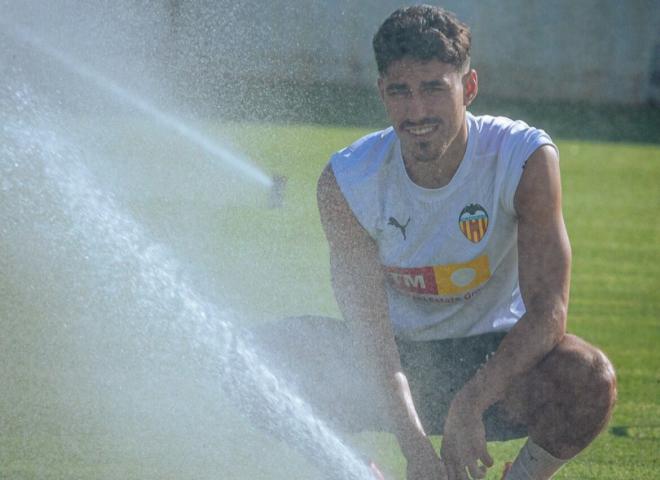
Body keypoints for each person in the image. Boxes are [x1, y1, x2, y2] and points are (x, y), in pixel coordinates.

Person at [252, 5, 616, 480]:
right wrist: (415, 447)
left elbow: (548, 312)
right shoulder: (348, 180)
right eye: (400, 91)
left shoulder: (523, 158)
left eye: (433, 89)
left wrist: (471, 403)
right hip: (396, 362)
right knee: (253, 362)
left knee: (589, 377)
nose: (417, 111)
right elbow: (370, 335)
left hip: (495, 362)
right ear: (383, 92)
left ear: (468, 88)